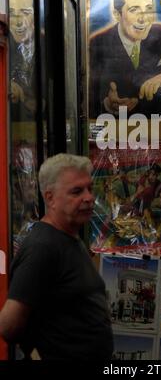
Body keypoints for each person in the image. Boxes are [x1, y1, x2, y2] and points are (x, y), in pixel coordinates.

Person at [0, 153, 113, 361]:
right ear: (50, 198)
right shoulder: (43, 247)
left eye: (89, 188)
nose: (88, 197)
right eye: (77, 191)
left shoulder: (70, 237)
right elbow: (9, 325)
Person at [9, 0, 37, 120]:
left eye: (25, 13)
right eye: (12, 13)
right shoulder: (5, 47)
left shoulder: (49, 47)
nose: (18, 21)